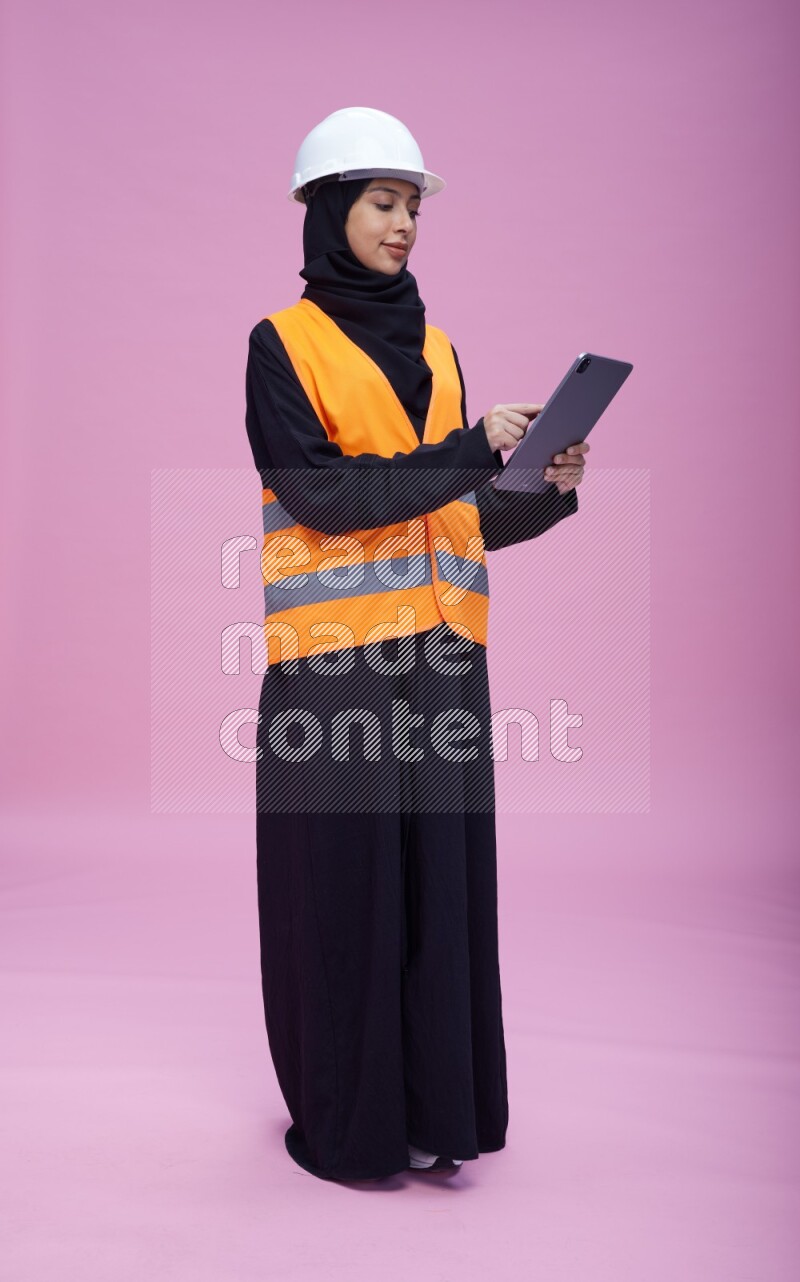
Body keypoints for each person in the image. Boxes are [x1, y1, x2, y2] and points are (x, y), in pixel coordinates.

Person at [244, 106, 588, 1183]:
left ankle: (438, 1112)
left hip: (442, 663)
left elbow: (450, 518)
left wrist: (540, 490)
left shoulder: (437, 346)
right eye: (381, 203)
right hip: (336, 670)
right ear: (328, 209)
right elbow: (323, 492)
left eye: (410, 206)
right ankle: (350, 1128)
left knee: (439, 891)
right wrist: (464, 450)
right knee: (345, 893)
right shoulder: (279, 344)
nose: (401, 225)